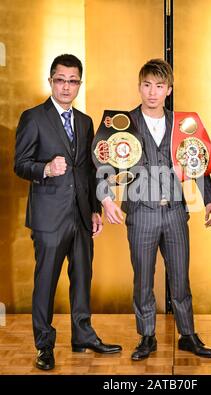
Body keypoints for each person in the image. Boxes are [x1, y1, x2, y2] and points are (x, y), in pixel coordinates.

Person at [97, 58, 211, 361]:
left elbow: (197, 161)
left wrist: (210, 199)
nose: (152, 92)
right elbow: (103, 161)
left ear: (169, 89)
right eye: (147, 85)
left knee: (180, 277)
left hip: (176, 211)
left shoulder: (183, 123)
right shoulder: (122, 123)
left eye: (159, 86)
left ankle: (188, 334)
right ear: (139, 87)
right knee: (143, 279)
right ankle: (147, 336)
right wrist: (106, 198)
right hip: (140, 212)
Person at [14, 54, 122, 371]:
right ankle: (44, 346)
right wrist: (45, 168)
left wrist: (94, 210)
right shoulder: (33, 117)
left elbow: (88, 172)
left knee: (82, 278)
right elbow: (19, 164)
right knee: (45, 282)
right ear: (51, 81)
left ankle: (83, 335)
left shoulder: (86, 122)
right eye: (60, 79)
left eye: (73, 80)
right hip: (48, 218)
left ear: (79, 84)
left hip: (80, 215)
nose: (66, 86)